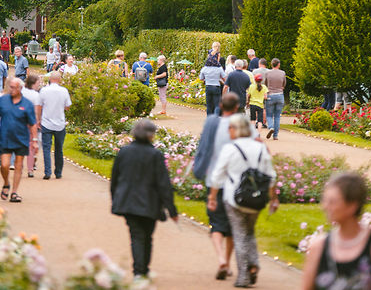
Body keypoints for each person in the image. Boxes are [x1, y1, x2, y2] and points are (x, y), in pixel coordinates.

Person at [193, 93, 260, 280]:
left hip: (215, 179)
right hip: (238, 183)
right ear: (237, 105)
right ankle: (228, 262)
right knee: (233, 225)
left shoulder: (213, 124)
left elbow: (203, 148)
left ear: (221, 105)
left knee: (216, 223)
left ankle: (221, 259)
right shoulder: (243, 124)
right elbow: (258, 143)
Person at [208, 114, 278, 288]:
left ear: (236, 129)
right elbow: (271, 176)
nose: (229, 131)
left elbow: (217, 175)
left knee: (239, 234)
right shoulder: (261, 148)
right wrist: (273, 198)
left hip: (235, 198)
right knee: (249, 232)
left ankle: (245, 275)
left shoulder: (230, 149)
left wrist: (211, 197)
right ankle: (253, 264)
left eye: (230, 128)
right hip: (257, 199)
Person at [300, 173, 371, 290]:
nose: (325, 206)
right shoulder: (318, 246)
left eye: (332, 202)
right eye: (325, 200)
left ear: (352, 206)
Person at [110, 119, 178, 279]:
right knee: (145, 237)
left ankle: (141, 271)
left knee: (137, 237)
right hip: (150, 203)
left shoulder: (124, 152)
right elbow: (164, 185)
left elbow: (115, 179)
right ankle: (141, 270)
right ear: (151, 135)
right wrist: (172, 210)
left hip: (128, 202)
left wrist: (116, 199)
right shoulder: (155, 155)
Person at [0, 77, 39, 203]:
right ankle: (6, 183)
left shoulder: (26, 104)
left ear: (20, 88)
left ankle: (14, 192)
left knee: (18, 165)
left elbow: (32, 123)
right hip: (5, 137)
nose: (11, 90)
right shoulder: (2, 101)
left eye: (14, 87)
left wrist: (35, 140)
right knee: (4, 165)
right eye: (10, 87)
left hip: (21, 138)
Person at [36, 70, 72, 179]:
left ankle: (47, 172)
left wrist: (38, 119)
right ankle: (58, 172)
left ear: (50, 79)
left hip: (46, 122)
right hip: (60, 123)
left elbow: (39, 106)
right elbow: (68, 106)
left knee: (46, 148)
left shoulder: (44, 91)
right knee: (58, 148)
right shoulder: (64, 91)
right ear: (59, 80)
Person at [21, 74, 42, 178]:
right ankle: (30, 169)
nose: (39, 85)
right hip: (31, 121)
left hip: (19, 120)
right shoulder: (35, 95)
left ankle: (18, 165)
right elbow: (37, 110)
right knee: (31, 145)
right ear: (33, 83)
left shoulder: (21, 92)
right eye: (38, 83)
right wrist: (38, 121)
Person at [265, 58, 286, 140]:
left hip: (270, 95)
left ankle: (270, 127)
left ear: (271, 64)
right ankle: (275, 135)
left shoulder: (268, 73)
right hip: (280, 95)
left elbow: (266, 84)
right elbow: (284, 84)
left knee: (269, 115)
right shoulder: (283, 73)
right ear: (278, 64)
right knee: (277, 116)